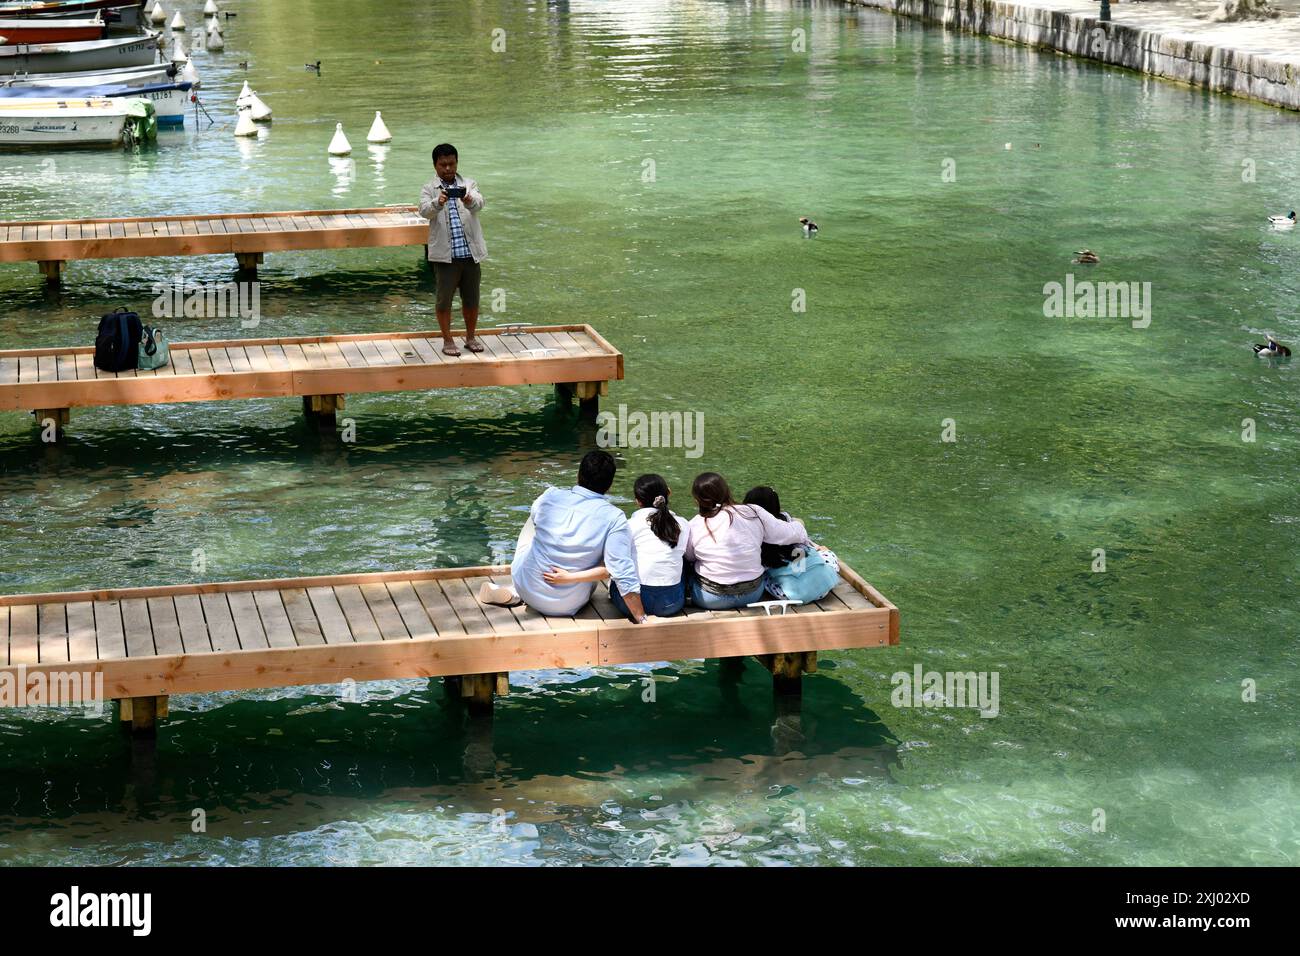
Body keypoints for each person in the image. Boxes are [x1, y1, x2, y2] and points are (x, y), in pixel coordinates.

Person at [479, 451, 650, 622]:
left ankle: (517, 592)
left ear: (578, 474)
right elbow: (621, 570)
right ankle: (525, 590)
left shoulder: (550, 496)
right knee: (608, 557)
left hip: (526, 585)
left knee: (535, 522)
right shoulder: (614, 517)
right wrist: (640, 616)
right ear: (610, 484)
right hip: (568, 603)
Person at [541, 474, 690, 620]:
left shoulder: (629, 526)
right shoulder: (683, 524)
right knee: (681, 560)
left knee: (620, 561)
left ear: (637, 501)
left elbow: (612, 566)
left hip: (628, 605)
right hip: (671, 604)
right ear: (668, 493)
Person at [684, 472, 811, 610]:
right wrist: (799, 523)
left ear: (697, 501)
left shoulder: (694, 524)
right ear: (727, 491)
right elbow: (789, 534)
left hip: (710, 598)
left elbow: (690, 556)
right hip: (752, 594)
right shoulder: (753, 512)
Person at [418, 143, 487, 357]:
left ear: (457, 163)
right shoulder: (429, 188)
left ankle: (471, 337)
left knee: (472, 299)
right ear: (435, 165)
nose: (448, 169)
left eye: (451, 164)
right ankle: (448, 340)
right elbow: (424, 211)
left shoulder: (469, 183)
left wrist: (468, 199)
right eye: (443, 165)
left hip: (470, 253)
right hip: (444, 256)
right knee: (444, 299)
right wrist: (437, 202)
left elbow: (479, 204)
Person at [742, 486, 840, 604]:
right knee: (825, 554)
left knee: (762, 576)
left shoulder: (752, 530)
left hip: (791, 596)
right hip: (824, 587)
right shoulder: (787, 521)